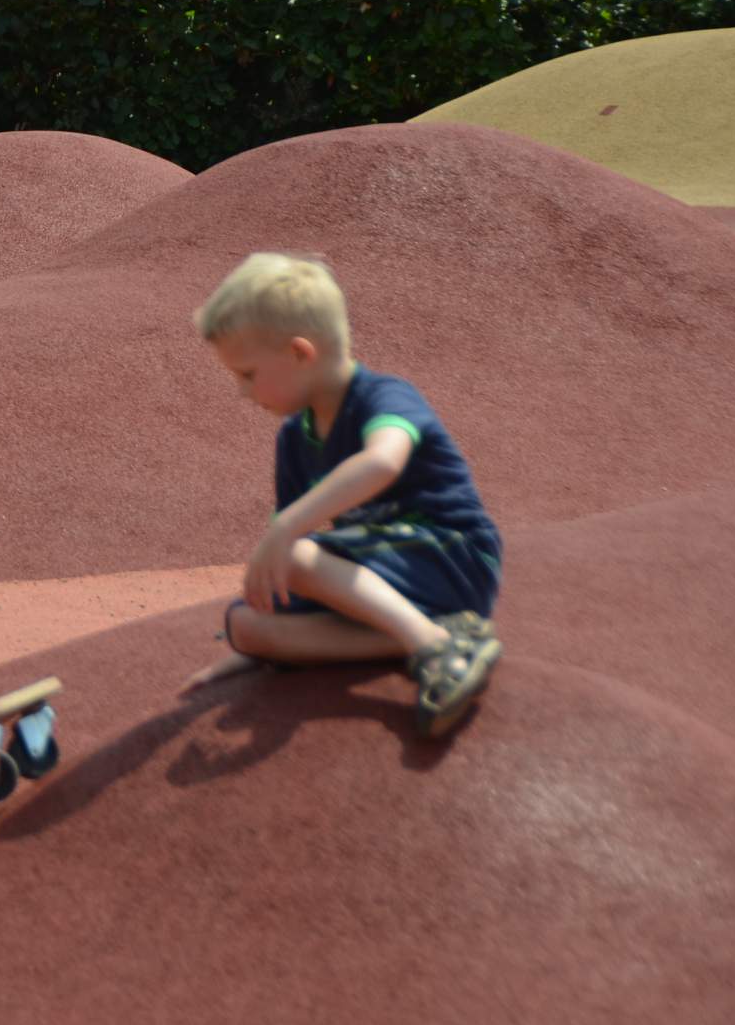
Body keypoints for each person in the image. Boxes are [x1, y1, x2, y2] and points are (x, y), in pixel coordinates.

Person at [183, 252, 503, 737]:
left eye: (247, 374)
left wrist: (287, 531)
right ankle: (432, 631)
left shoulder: (383, 397)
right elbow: (283, 551)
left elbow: (383, 461)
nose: (242, 392)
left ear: (299, 353)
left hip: (451, 555)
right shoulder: (296, 436)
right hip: (391, 576)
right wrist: (256, 647)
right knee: (246, 624)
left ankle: (435, 645)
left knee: (293, 558)